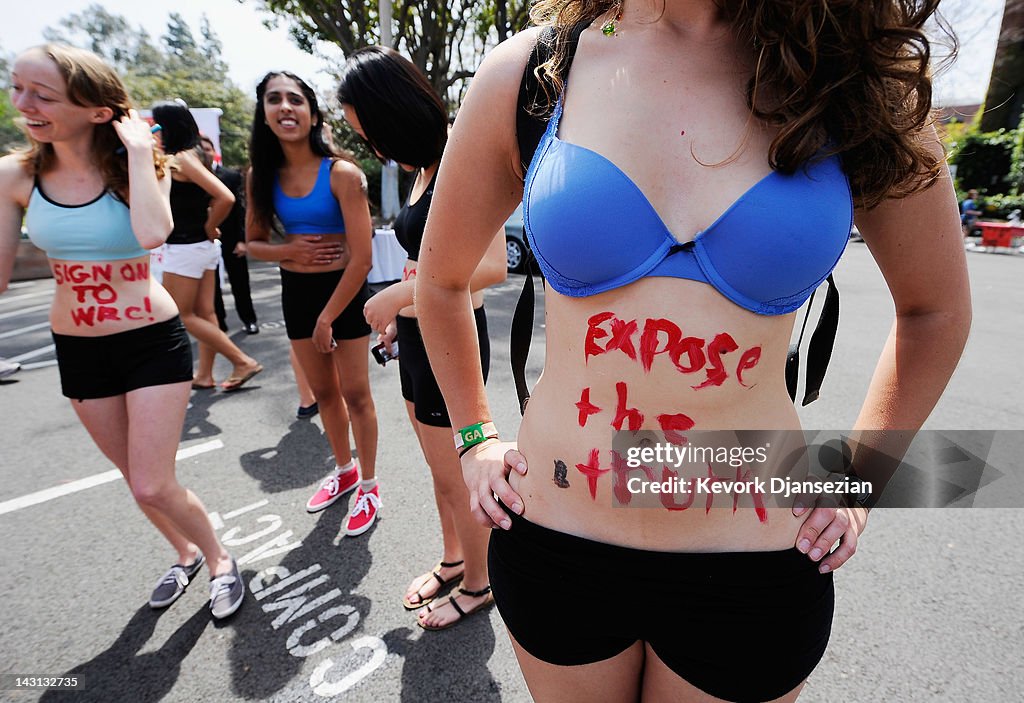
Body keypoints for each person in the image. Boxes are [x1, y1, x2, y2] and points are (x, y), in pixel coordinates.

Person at [416, 2, 971, 701]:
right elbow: (439, 280)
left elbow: (936, 310)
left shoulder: (856, 78)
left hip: (758, 558)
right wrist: (474, 437)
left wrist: (863, 478)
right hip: (556, 540)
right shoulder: (533, 72)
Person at [0, 44, 244, 619]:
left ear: (95, 109)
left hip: (148, 341)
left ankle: (219, 560)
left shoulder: (142, 163)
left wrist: (139, 152)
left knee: (151, 485)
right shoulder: (17, 175)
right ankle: (182, 552)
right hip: (79, 350)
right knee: (132, 476)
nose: (25, 105)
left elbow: (154, 233)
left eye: (43, 95)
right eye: (18, 89)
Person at [337, 46, 508, 629]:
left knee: (461, 473)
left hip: (450, 340)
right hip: (415, 337)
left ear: (395, 111)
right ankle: (456, 558)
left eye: (371, 132)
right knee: (441, 473)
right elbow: (427, 262)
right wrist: (401, 310)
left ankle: (481, 584)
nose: (372, 148)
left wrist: (392, 298)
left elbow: (490, 266)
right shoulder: (421, 168)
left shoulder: (461, 151)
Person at [245, 71, 381, 535]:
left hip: (342, 295)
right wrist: (290, 251)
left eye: (295, 99)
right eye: (274, 100)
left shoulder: (342, 174)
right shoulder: (259, 177)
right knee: (323, 393)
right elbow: (252, 244)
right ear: (263, 113)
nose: (285, 107)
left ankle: (368, 484)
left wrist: (328, 317)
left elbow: (362, 258)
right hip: (296, 295)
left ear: (312, 112)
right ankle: (343, 470)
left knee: (355, 394)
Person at [150, 101, 262, 392]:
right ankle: (205, 375)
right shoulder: (190, 155)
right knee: (205, 313)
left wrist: (211, 225)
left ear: (168, 126)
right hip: (198, 247)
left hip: (188, 247)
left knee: (183, 315)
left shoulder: (183, 158)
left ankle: (242, 361)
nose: (154, 130)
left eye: (158, 124)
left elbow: (225, 197)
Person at [199, 134, 259, 336]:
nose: (204, 152)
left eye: (207, 148)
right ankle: (220, 325)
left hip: (232, 237)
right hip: (204, 239)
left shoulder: (231, 176)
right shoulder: (190, 176)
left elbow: (242, 209)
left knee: (240, 282)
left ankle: (249, 320)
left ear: (214, 152)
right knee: (211, 286)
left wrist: (243, 240)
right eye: (200, 149)